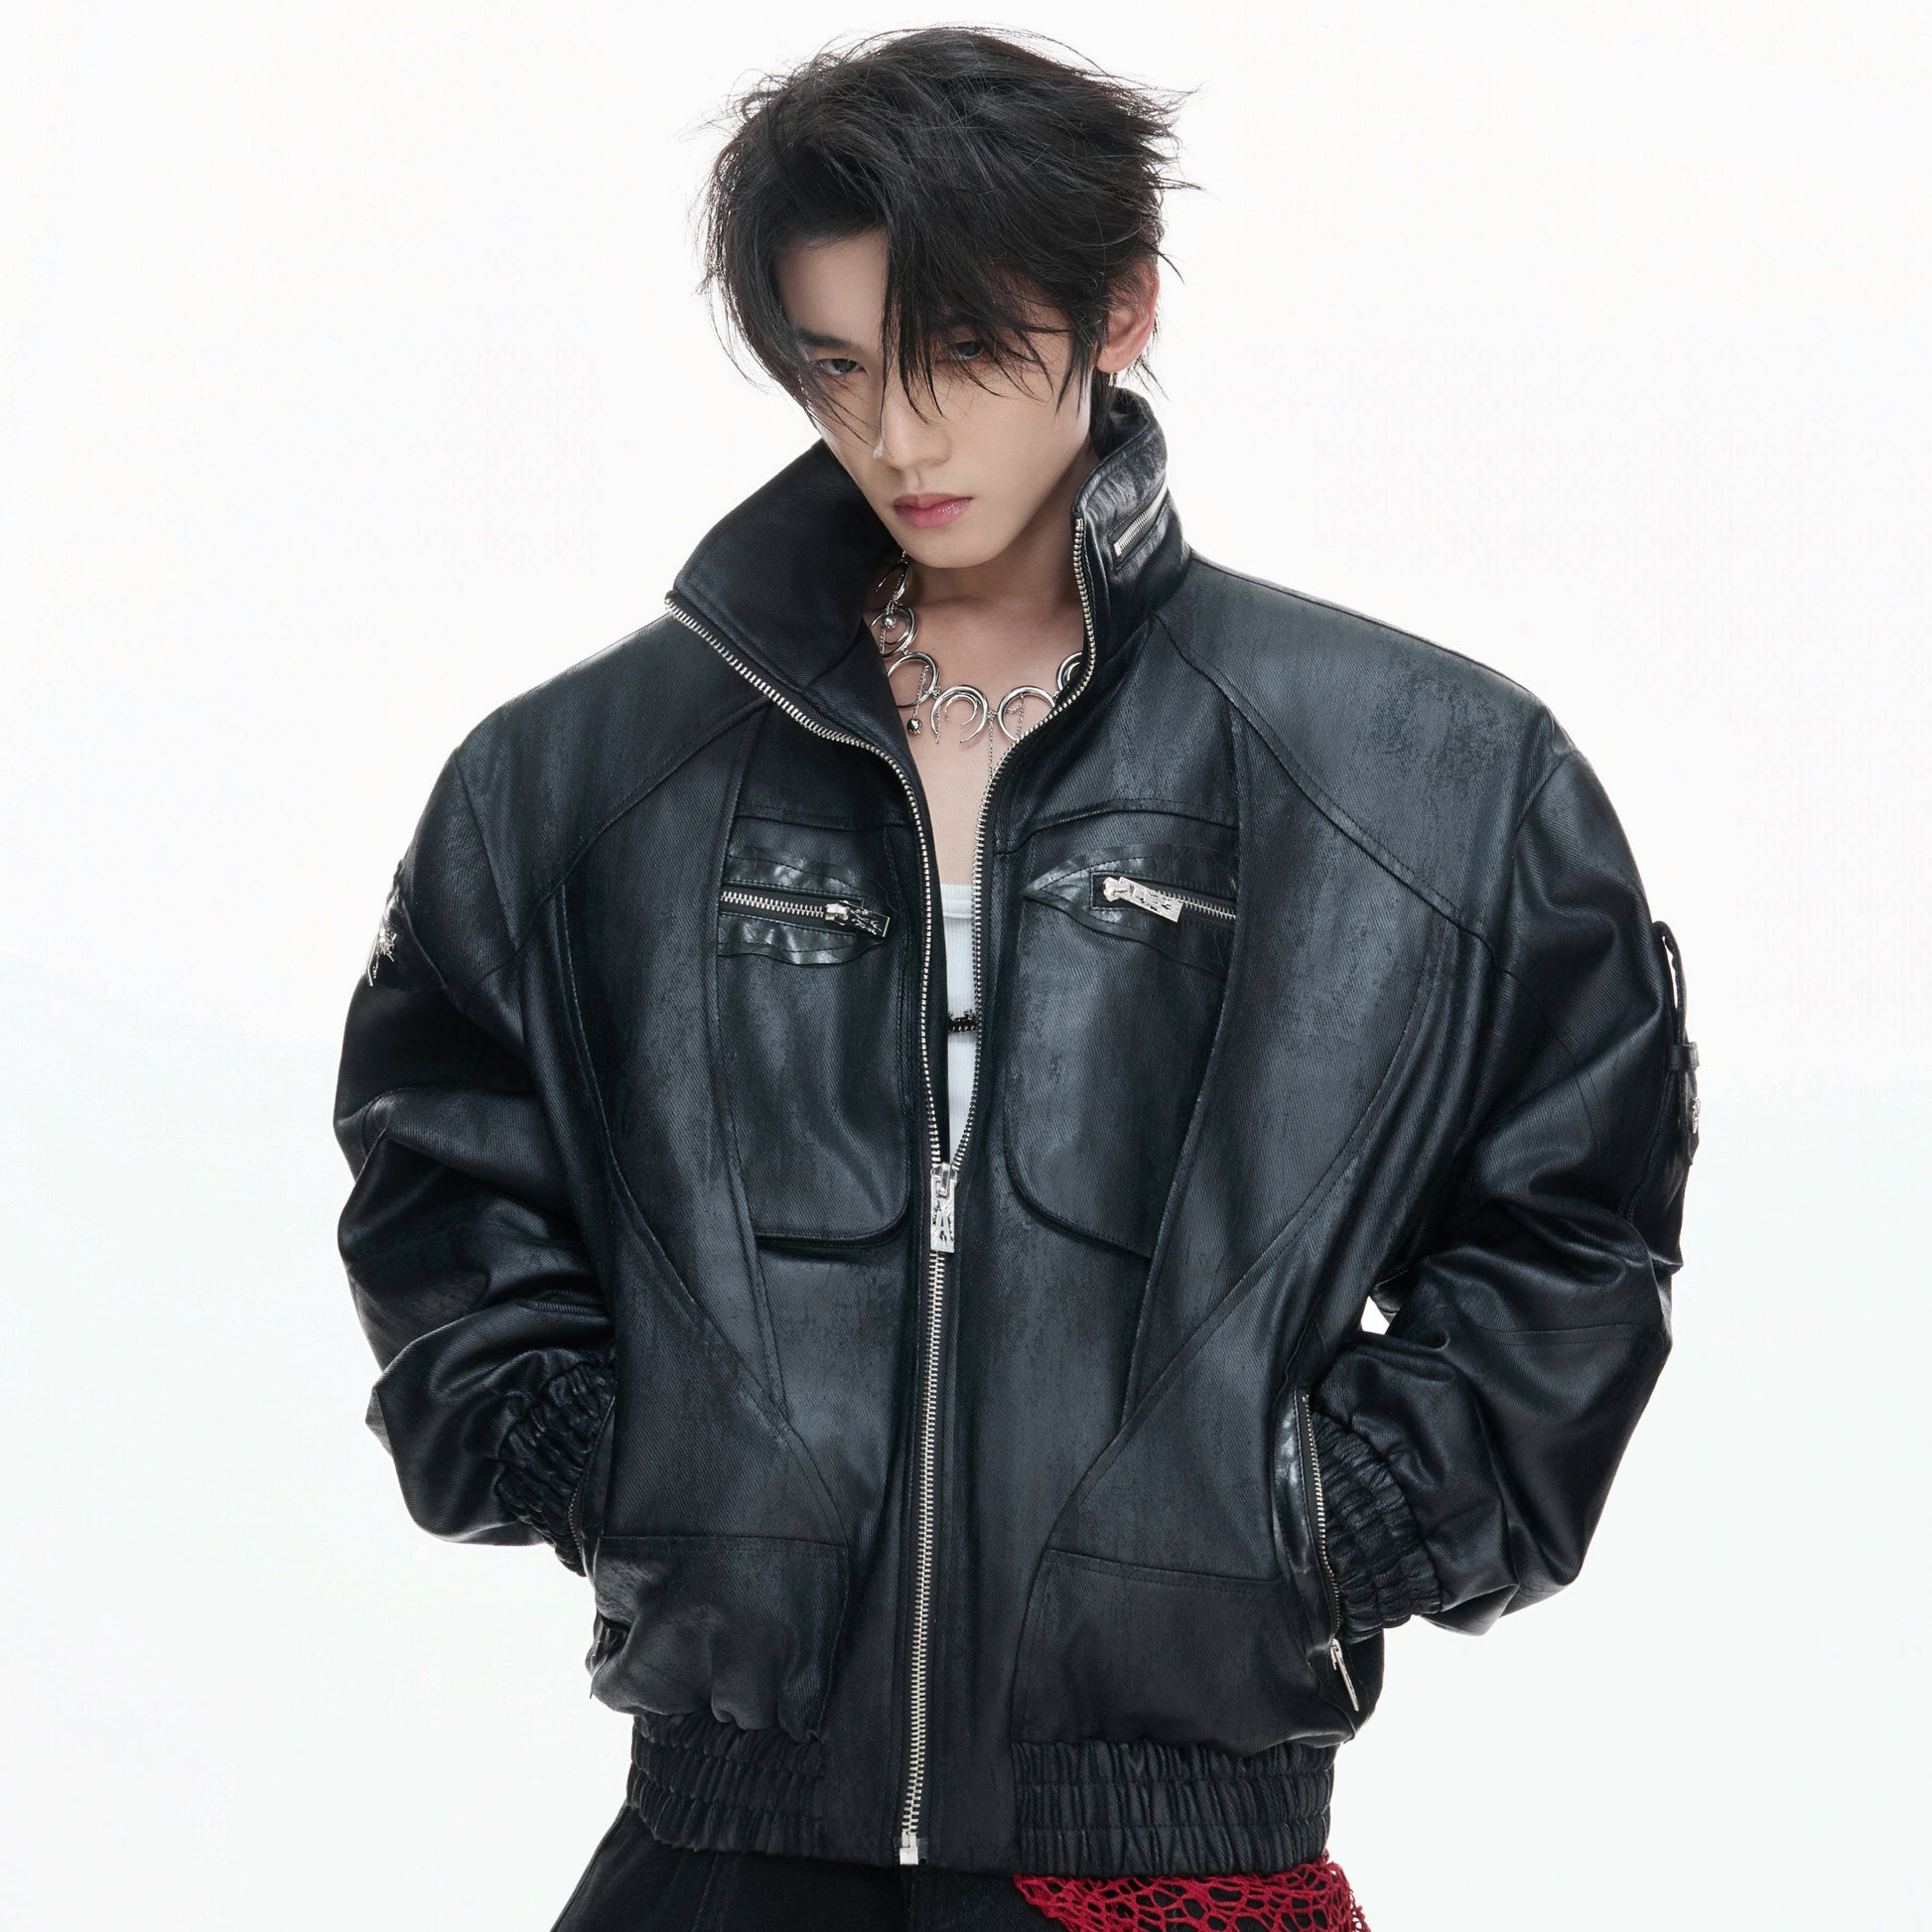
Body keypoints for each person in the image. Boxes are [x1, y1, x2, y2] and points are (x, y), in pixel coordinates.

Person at [332, 26, 1699, 1932]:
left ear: (1118, 310)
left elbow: (1574, 1228)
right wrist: (612, 1459)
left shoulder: (1428, 774)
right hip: (716, 1851)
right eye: (834, 366)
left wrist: (1332, 1523)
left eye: (958, 353)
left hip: (1167, 1855)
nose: (897, 438)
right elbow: (442, 1185)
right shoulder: (573, 777)